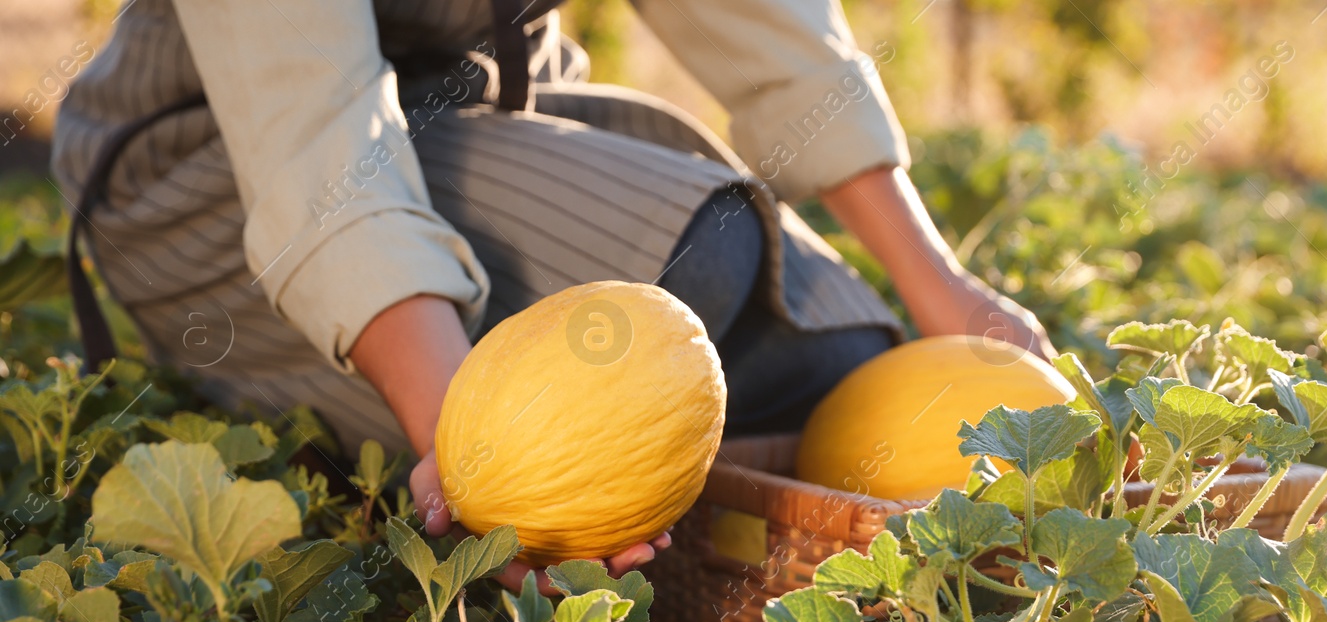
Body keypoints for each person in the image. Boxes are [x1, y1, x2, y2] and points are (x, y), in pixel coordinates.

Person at [53, 0, 1053, 586]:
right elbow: (310, 138)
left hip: (474, 109)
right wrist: (470, 436)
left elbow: (762, 18)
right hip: (208, 172)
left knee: (839, 356)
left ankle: (677, 445)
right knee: (700, 262)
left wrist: (938, 284)